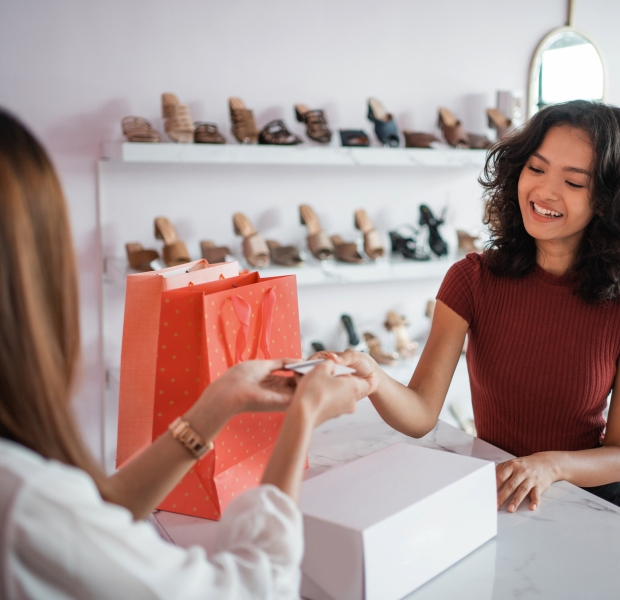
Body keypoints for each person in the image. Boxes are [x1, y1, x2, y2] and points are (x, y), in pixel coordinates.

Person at [0, 109, 373, 599]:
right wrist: (301, 418)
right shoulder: (25, 501)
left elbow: (99, 512)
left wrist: (220, 401)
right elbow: (252, 588)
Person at [328, 101, 620, 514]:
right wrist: (373, 377)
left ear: (609, 200)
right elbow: (421, 413)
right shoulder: (472, 279)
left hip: (591, 504)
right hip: (502, 496)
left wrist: (551, 466)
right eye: (537, 168)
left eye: (574, 182)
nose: (545, 191)